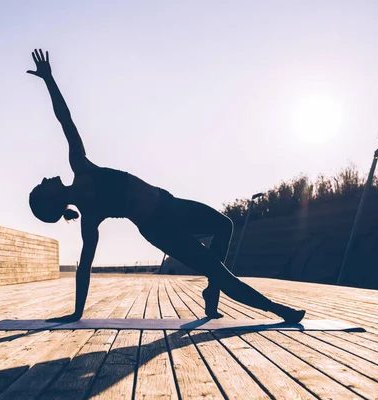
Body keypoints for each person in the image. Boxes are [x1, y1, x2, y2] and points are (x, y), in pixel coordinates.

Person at [27, 49, 305, 324]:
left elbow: (65, 119)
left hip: (171, 204)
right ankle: (279, 311)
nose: (44, 180)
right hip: (161, 229)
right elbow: (84, 268)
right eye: (42, 187)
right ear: (51, 202)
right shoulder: (88, 215)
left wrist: (49, 80)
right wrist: (77, 312)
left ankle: (212, 292)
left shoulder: (80, 164)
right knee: (219, 271)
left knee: (224, 225)